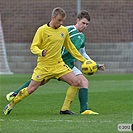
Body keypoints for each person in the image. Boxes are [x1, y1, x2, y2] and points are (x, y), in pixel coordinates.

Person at [4, 10, 105, 115]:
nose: (61, 23)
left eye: (62, 21)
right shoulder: (43, 30)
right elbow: (33, 47)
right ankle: (12, 103)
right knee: (32, 88)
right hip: (45, 66)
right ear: (53, 18)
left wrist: (90, 63)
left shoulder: (64, 31)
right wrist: (40, 52)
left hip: (59, 65)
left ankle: (66, 109)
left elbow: (72, 49)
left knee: (77, 83)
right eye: (59, 20)